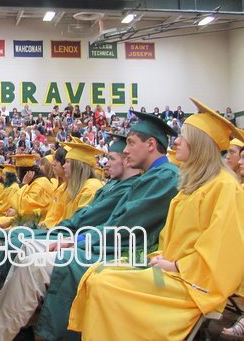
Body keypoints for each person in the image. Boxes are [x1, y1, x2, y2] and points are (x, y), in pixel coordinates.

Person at [68, 98, 244, 341]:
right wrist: (161, 257)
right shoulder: (191, 186)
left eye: (183, 137)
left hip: (194, 284)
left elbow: (223, 250)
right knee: (97, 275)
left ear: (200, 144)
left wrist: (177, 266)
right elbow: (171, 239)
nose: (176, 141)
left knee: (104, 284)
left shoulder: (224, 187)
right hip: (172, 272)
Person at [0, 134, 141, 341]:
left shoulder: (93, 186)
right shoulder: (102, 186)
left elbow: (85, 219)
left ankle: (3, 328)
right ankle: (10, 322)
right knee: (18, 244)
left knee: (23, 248)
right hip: (72, 233)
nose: (62, 166)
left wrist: (73, 238)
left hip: (91, 243)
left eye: (67, 162)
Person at [35, 110, 180, 341]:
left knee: (58, 263)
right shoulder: (150, 176)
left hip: (132, 252)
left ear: (151, 144)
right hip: (115, 243)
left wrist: (79, 240)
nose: (126, 151)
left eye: (131, 143)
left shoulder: (164, 178)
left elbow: (124, 226)